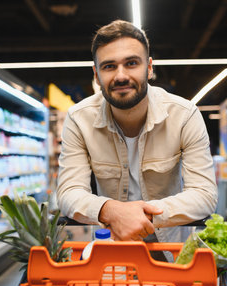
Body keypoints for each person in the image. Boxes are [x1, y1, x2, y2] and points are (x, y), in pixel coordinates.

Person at [56, 20, 217, 258]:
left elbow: (204, 193)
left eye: (131, 63)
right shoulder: (79, 119)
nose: (121, 76)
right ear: (97, 75)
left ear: (149, 68)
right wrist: (110, 211)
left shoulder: (184, 115)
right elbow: (68, 191)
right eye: (109, 66)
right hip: (108, 243)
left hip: (168, 246)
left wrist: (140, 216)